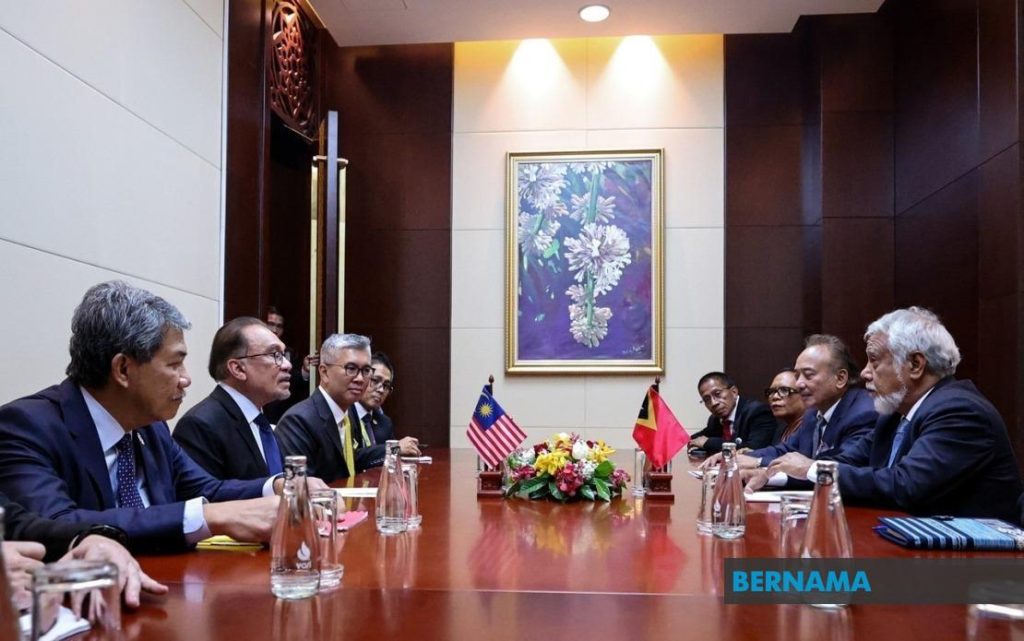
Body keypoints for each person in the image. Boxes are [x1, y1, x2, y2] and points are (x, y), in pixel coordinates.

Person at [0, 281, 303, 553]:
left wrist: (278, 486)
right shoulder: (26, 427)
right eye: (174, 364)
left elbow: (207, 490)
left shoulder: (151, 428)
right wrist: (207, 516)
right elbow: (57, 525)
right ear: (123, 369)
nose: (186, 379)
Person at [751, 307, 1024, 521]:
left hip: (978, 561)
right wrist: (777, 473)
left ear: (915, 365)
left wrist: (812, 469)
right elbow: (847, 461)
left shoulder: (959, 411)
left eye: (874, 361)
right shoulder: (894, 415)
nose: (865, 373)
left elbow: (907, 485)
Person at [714, 335, 876, 476]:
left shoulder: (863, 412)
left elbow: (839, 466)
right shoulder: (813, 414)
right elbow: (784, 450)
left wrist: (759, 463)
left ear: (840, 378)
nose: (798, 384)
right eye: (797, 376)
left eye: (808, 375)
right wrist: (736, 457)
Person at [173, 317, 292, 480]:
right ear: (238, 369)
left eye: (283, 354)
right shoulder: (200, 425)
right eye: (275, 354)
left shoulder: (261, 422)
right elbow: (206, 494)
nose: (287, 365)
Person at [276, 334, 379, 482]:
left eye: (366, 370)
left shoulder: (350, 412)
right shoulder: (297, 422)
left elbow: (352, 463)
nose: (360, 379)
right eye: (351, 368)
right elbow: (300, 488)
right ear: (324, 372)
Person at [350, 351, 420, 459]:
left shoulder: (384, 423)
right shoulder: (345, 416)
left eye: (386, 385)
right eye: (375, 380)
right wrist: (396, 448)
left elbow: (390, 455)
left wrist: (402, 450)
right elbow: (352, 457)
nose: (381, 390)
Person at [688, 372, 776, 454]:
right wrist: (691, 441)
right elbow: (700, 437)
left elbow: (754, 449)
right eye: (707, 399)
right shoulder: (715, 419)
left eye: (717, 394)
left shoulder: (758, 412)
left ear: (734, 392)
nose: (713, 403)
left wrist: (709, 443)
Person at [262, 307, 316, 423]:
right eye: (271, 324)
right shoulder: (253, 351)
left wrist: (305, 370)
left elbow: (294, 383)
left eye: (279, 326)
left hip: (279, 415)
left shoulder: (289, 353)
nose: (275, 330)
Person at [764, 368, 805, 443]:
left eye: (784, 390)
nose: (775, 397)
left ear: (805, 394)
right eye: (771, 391)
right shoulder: (781, 429)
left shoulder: (813, 429)